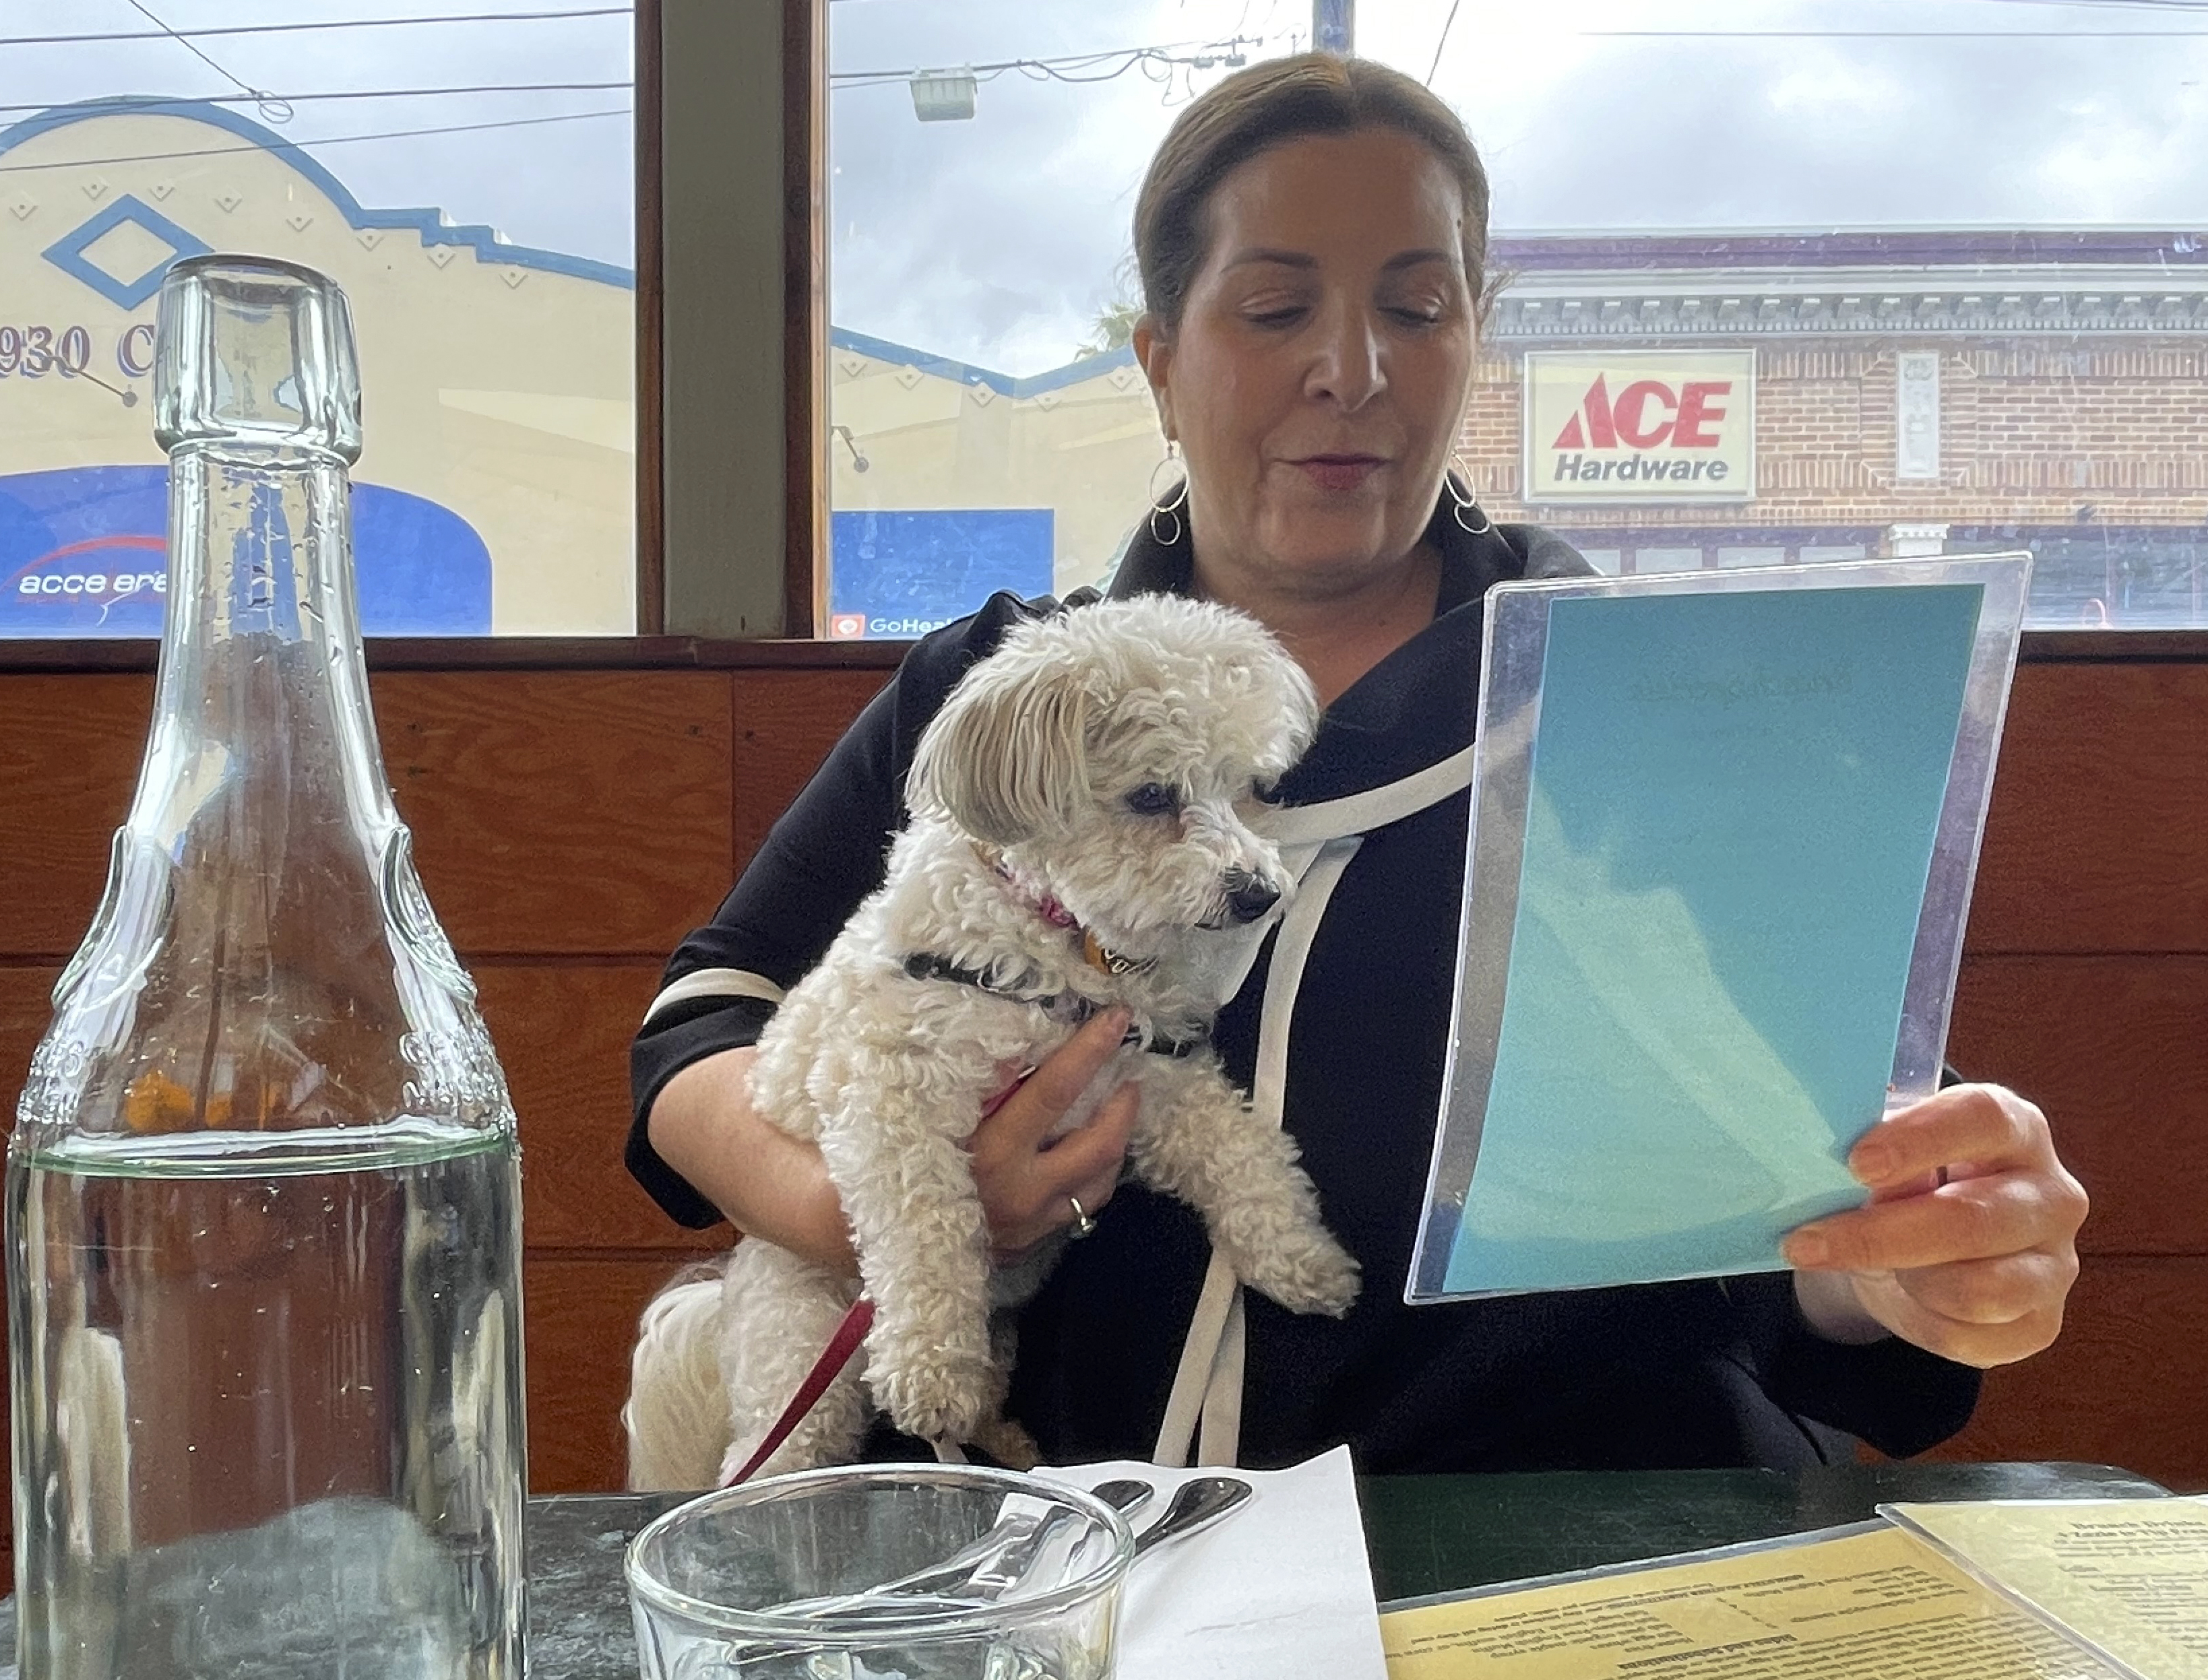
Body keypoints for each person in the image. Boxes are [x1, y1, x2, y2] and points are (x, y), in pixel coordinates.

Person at [627, 53, 2088, 1475]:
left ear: (1473, 335)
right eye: (1272, 309)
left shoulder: (1655, 702)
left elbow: (1813, 1205)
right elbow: (705, 1021)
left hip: (1544, 1531)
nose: (1351, 370)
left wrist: (1930, 1254)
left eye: (1416, 304)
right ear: (1157, 358)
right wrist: (850, 1207)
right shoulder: (1000, 697)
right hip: (1059, 1530)